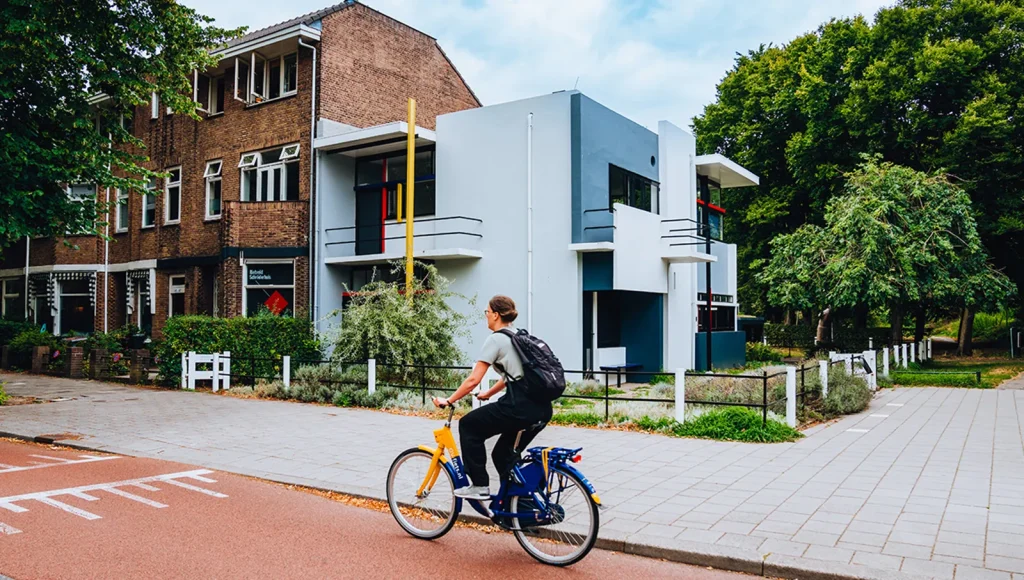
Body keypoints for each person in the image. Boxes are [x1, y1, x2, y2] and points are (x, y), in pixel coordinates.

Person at [432, 295, 553, 500]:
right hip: (542, 408)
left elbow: (473, 379)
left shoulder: (496, 339)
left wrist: (449, 400)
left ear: (496, 315)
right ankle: (521, 505)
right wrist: (488, 393)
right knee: (503, 455)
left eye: (487, 312)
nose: (486, 316)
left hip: (519, 407)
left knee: (469, 426)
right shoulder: (519, 336)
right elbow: (512, 376)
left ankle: (479, 485)